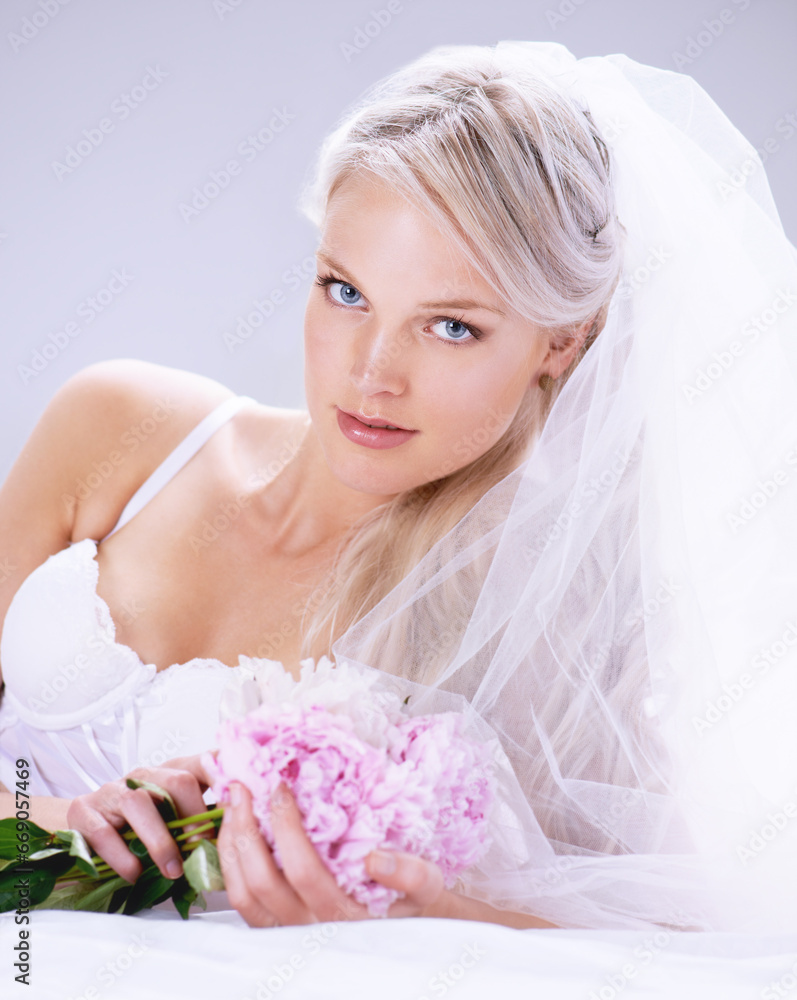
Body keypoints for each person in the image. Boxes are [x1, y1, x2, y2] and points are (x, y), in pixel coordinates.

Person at [1, 40, 796, 933]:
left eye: (451, 326)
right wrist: (58, 826)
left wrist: (424, 917)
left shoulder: (518, 618)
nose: (373, 373)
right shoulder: (122, 430)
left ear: (561, 342)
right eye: (346, 292)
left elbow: (672, 933)